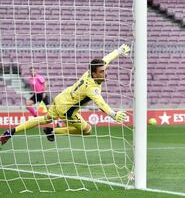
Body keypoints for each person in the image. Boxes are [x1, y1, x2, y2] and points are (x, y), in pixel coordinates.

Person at [0, 44, 131, 145]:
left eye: (104, 70)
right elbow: (101, 103)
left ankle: (12, 131)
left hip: (61, 98)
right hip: (67, 110)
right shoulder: (92, 88)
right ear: (95, 74)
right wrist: (113, 114)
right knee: (87, 130)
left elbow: (105, 59)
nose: (105, 73)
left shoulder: (90, 71)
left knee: (45, 119)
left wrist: (118, 51)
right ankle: (53, 131)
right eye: (102, 72)